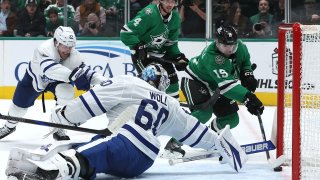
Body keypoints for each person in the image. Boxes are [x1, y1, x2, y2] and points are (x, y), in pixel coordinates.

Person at [5, 64, 247, 179]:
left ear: (144, 76)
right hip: (142, 162)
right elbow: (195, 133)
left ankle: (54, 169)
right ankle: (45, 162)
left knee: (101, 145)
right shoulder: (171, 103)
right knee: (97, 144)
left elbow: (88, 105)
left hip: (127, 143)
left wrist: (63, 116)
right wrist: (220, 145)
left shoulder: (128, 82)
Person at [0, 26, 107, 140]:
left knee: (66, 92)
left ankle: (59, 126)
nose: (68, 50)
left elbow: (87, 73)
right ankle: (9, 126)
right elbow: (50, 70)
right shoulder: (43, 49)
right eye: (65, 46)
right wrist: (74, 75)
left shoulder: (75, 56)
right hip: (35, 78)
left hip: (59, 80)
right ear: (56, 42)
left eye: (70, 46)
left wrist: (106, 82)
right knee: (18, 108)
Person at [120, 0, 189, 157]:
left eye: (173, 1)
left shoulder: (176, 17)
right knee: (152, 89)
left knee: (173, 84)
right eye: (167, 0)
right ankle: (142, 128)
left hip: (161, 56)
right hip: (143, 57)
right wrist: (138, 45)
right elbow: (125, 32)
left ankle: (173, 117)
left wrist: (177, 56)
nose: (170, 4)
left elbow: (171, 44)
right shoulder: (148, 14)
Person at [181, 25, 264, 135]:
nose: (230, 49)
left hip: (216, 84)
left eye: (232, 45)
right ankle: (173, 144)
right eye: (225, 45)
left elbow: (245, 62)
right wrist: (247, 97)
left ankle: (209, 138)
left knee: (231, 119)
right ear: (217, 42)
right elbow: (227, 86)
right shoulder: (211, 56)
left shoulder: (241, 47)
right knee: (203, 114)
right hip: (196, 80)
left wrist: (247, 75)